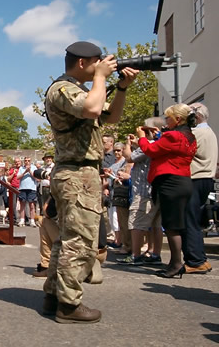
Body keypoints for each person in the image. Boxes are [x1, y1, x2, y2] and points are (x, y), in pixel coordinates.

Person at [41, 41, 138, 323]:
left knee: (65, 240)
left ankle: (53, 295)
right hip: (76, 173)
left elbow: (111, 116)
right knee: (80, 241)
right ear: (82, 63)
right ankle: (69, 305)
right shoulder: (63, 89)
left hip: (78, 172)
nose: (103, 66)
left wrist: (120, 88)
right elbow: (93, 110)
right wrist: (101, 78)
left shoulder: (82, 89)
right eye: (98, 62)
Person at [136, 103, 197, 278]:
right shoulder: (188, 136)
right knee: (177, 224)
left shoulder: (172, 136)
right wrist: (158, 136)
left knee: (171, 226)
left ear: (178, 119)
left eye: (168, 118)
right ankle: (176, 262)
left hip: (170, 182)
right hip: (183, 181)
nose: (165, 120)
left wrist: (142, 137)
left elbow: (150, 150)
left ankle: (176, 264)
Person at [116, 117, 165, 266]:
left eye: (144, 129)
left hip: (143, 190)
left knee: (136, 223)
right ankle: (155, 254)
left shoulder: (149, 144)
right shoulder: (159, 143)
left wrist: (129, 143)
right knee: (156, 224)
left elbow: (129, 157)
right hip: (154, 190)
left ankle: (135, 255)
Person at [183, 103, 217, 274]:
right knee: (194, 219)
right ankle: (198, 258)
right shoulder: (209, 132)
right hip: (205, 179)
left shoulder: (196, 133)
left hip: (195, 178)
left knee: (189, 220)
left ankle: (196, 260)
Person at [17, 157, 37, 226]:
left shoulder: (34, 168)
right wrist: (25, 172)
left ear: (31, 161)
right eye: (25, 161)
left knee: (31, 205)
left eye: (28, 160)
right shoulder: (21, 168)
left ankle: (32, 220)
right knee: (22, 204)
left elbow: (36, 178)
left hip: (32, 188)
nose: (27, 162)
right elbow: (18, 177)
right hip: (22, 188)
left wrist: (30, 171)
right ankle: (22, 220)